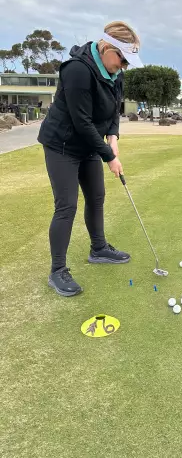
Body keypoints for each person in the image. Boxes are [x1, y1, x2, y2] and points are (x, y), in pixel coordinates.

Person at [38, 21, 143, 297]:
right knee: (67, 206)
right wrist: (109, 157)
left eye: (127, 63)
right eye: (122, 59)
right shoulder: (77, 71)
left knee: (96, 197)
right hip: (62, 145)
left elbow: (112, 114)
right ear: (107, 47)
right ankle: (57, 271)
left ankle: (99, 249)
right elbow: (81, 122)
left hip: (89, 146)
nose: (123, 66)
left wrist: (113, 139)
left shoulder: (114, 74)